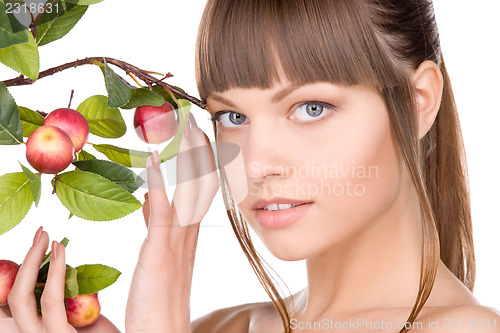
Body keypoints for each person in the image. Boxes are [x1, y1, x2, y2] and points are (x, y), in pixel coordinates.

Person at [2, 0, 499, 332]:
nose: (256, 163)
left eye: (311, 108)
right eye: (232, 117)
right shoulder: (223, 326)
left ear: (417, 102)